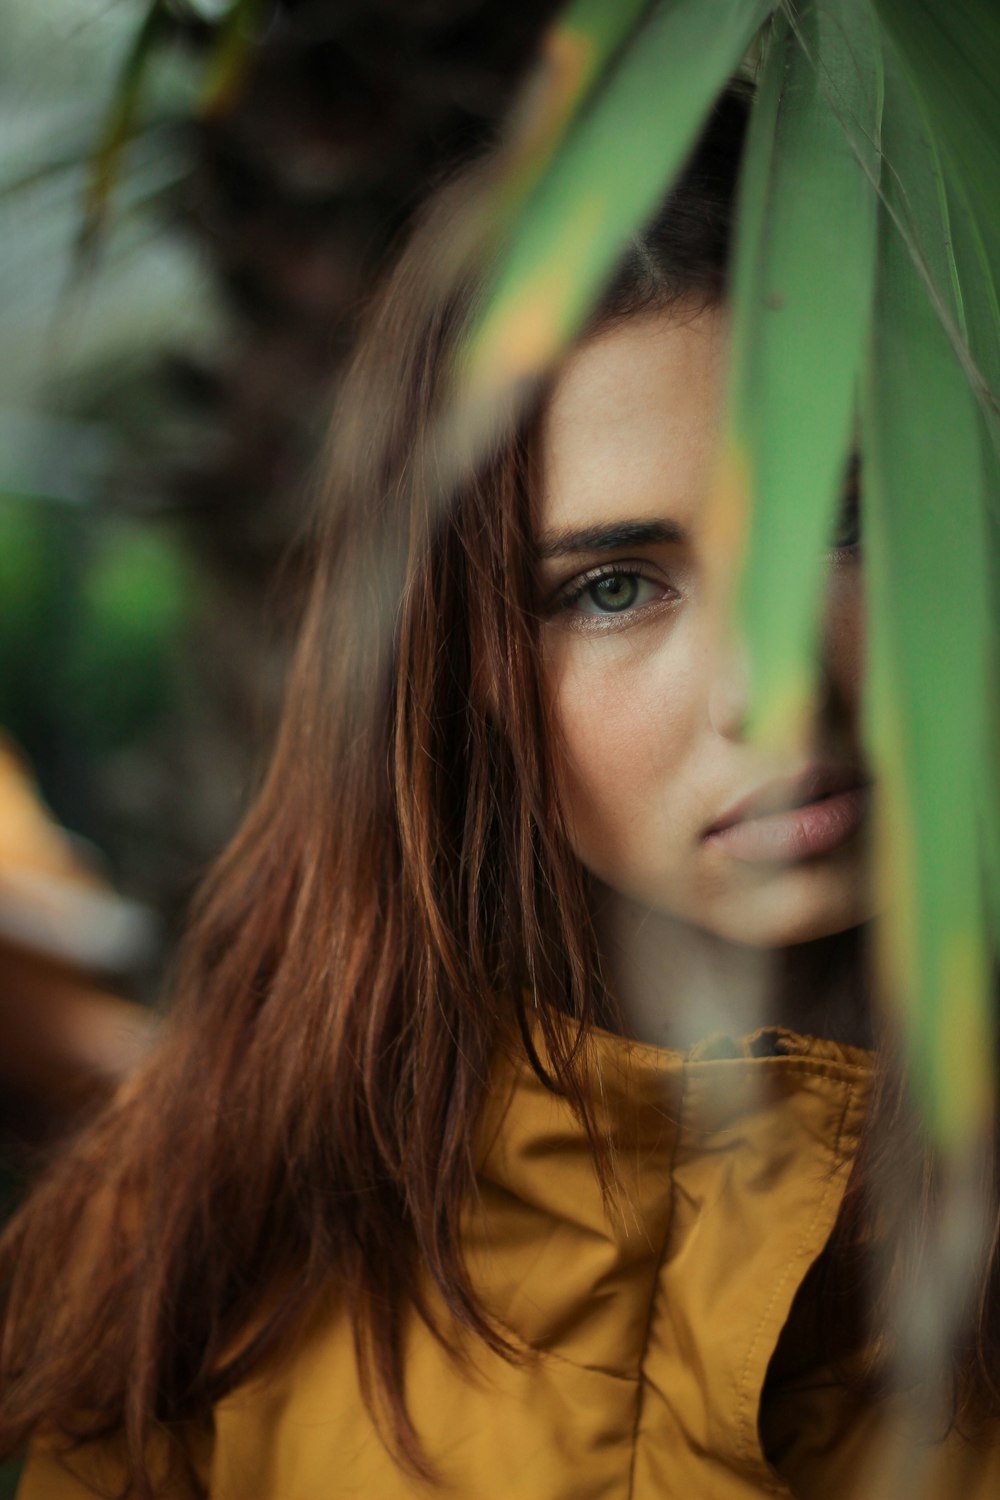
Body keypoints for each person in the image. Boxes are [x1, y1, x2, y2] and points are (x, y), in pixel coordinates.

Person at [2, 84, 999, 1500]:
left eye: (839, 521)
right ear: (455, 668)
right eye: (610, 588)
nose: (773, 686)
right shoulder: (197, 1233)